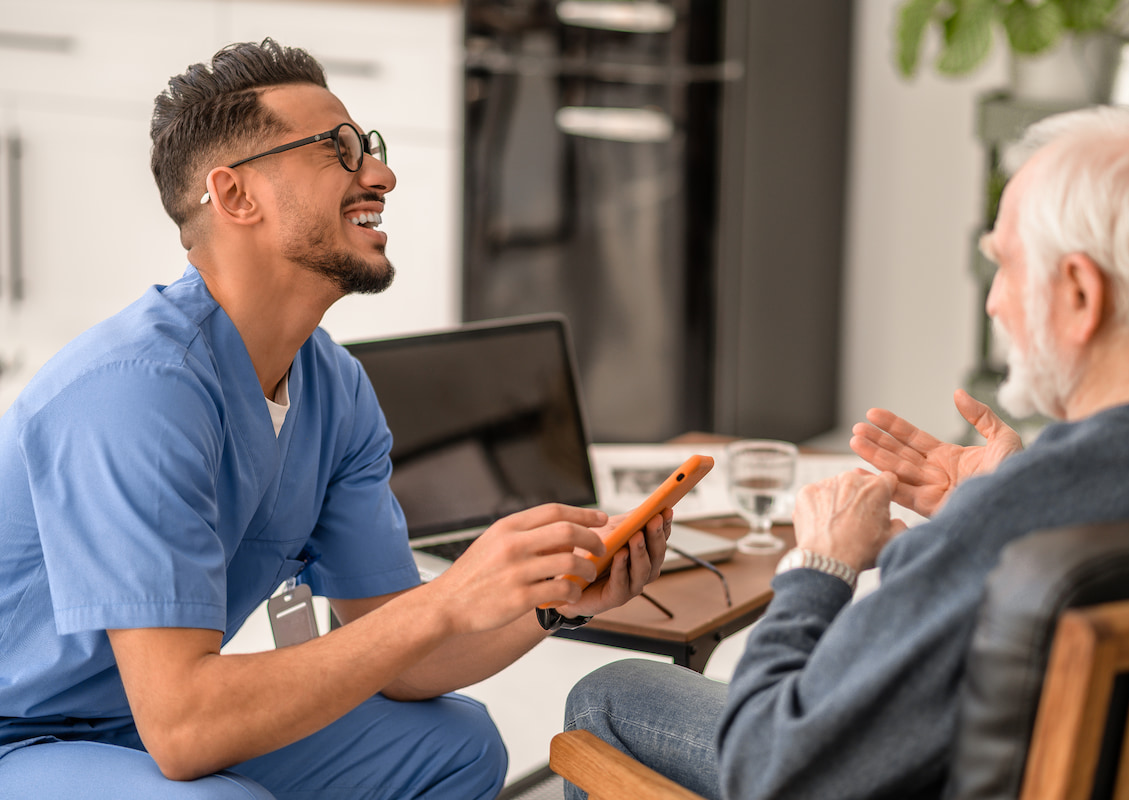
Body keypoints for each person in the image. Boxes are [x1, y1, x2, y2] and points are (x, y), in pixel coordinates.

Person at [0, 39, 671, 799]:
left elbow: (403, 653)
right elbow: (185, 730)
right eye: (340, 151)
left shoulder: (334, 389)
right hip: (23, 734)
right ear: (237, 196)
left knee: (457, 745)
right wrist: (449, 597)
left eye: (371, 150)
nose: (380, 176)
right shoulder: (133, 394)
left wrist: (547, 605)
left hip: (141, 717)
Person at [563, 102, 1129, 800]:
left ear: (1080, 293)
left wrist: (821, 565)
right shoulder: (1041, 511)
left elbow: (770, 767)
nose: (994, 304)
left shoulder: (1008, 536)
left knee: (611, 694)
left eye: (1007, 267)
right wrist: (1003, 497)